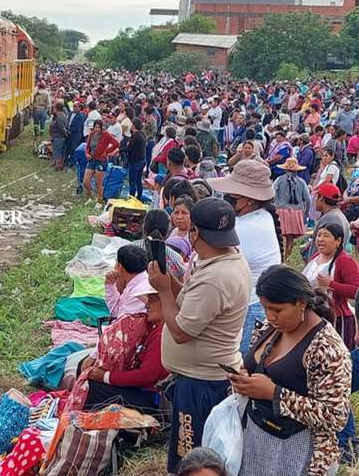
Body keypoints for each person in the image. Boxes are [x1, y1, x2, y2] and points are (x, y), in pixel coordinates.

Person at [148, 197, 251, 473]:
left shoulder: (217, 277)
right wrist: (170, 282)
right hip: (203, 377)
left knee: (191, 457)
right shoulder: (226, 258)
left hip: (200, 383)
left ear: (195, 233)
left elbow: (181, 331)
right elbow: (193, 299)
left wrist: (163, 292)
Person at [230, 265, 350, 476]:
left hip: (301, 453)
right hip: (257, 437)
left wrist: (274, 393)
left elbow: (335, 416)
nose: (270, 316)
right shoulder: (270, 328)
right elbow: (255, 367)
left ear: (301, 303)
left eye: (277, 310)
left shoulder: (327, 348)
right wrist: (243, 380)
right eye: (265, 308)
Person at [208, 160, 283, 353]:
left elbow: (211, 259)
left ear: (249, 199)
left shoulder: (248, 228)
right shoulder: (258, 217)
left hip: (251, 308)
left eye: (233, 197)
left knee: (239, 369)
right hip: (251, 304)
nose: (228, 200)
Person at [78, 284, 168, 413]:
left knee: (92, 388)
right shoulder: (154, 329)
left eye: (152, 300)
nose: (147, 305)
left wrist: (106, 376)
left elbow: (145, 375)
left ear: (165, 302)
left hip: (151, 399)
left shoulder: (162, 334)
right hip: (144, 392)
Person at [303, 224, 359, 350]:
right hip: (312, 317)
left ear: (338, 241)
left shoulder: (344, 261)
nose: (320, 239)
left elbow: (356, 290)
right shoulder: (315, 258)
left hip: (337, 320)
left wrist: (331, 284)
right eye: (319, 235)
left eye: (326, 236)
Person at [273, 158, 310, 259]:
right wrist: (306, 213)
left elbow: (273, 194)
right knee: (291, 238)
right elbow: (307, 199)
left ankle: (281, 257)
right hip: (296, 211)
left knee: (281, 236)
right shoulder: (302, 182)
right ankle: (288, 257)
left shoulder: (279, 180)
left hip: (281, 210)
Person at [134, 209, 187, 280]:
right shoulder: (176, 258)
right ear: (168, 230)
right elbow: (181, 288)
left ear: (144, 227)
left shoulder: (129, 249)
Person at [306, 183, 351, 259]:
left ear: (322, 199)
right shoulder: (339, 215)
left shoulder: (329, 219)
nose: (315, 200)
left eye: (317, 197)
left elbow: (322, 249)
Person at [82, 119, 120, 203]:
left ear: (102, 128)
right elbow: (87, 147)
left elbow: (116, 144)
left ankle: (100, 201)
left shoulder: (106, 135)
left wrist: (107, 152)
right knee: (85, 182)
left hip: (101, 161)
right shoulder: (91, 134)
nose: (97, 129)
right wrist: (87, 154)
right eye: (95, 127)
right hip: (92, 159)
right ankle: (91, 197)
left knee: (98, 183)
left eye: (99, 127)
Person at [126, 118, 147, 200]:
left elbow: (130, 148)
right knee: (138, 180)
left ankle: (131, 198)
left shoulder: (135, 136)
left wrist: (120, 149)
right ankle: (139, 197)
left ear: (134, 125)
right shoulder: (142, 134)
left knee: (132, 181)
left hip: (135, 161)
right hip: (142, 160)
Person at [49, 101, 68, 171]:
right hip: (60, 137)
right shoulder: (63, 115)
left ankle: (58, 166)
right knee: (60, 151)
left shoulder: (60, 117)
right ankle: (59, 164)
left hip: (58, 137)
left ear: (56, 109)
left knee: (57, 151)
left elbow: (62, 127)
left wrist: (65, 134)